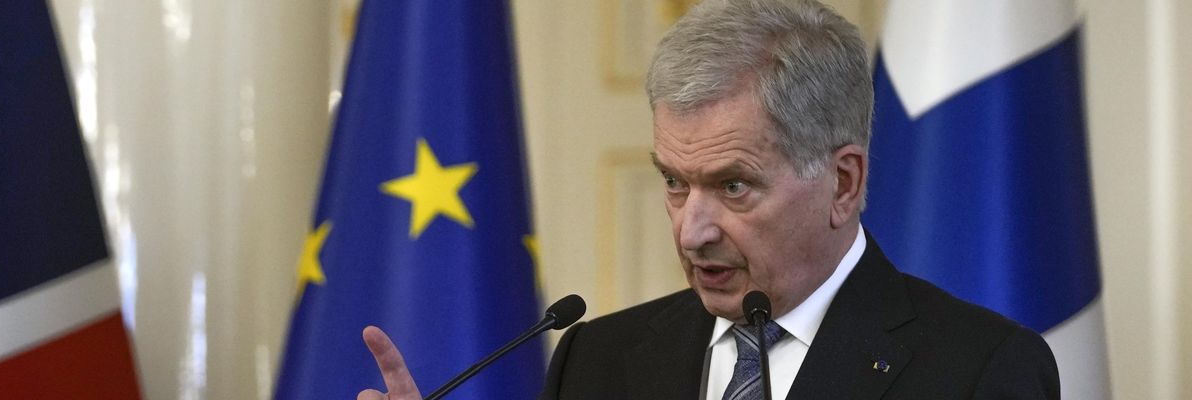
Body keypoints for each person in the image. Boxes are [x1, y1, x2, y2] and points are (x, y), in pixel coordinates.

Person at [358, 0, 1060, 399]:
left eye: (733, 186)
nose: (692, 231)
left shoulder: (980, 373)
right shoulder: (595, 362)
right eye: (673, 181)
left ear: (843, 183)